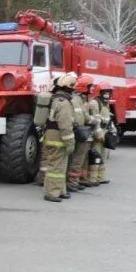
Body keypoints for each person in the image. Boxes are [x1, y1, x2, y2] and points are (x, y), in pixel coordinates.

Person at [42, 72, 76, 202]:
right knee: (56, 167)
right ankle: (51, 193)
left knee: (60, 166)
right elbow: (65, 125)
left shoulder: (54, 99)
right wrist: (70, 142)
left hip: (51, 135)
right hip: (59, 138)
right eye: (72, 87)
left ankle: (60, 190)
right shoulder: (64, 103)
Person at [67, 74, 94, 191]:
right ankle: (72, 183)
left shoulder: (81, 100)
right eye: (90, 86)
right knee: (76, 160)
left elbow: (86, 117)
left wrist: (94, 119)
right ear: (84, 87)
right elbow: (79, 118)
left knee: (79, 159)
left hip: (81, 133)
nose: (92, 89)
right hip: (78, 134)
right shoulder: (76, 100)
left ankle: (75, 181)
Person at [87, 82, 113, 185]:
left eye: (108, 93)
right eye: (105, 92)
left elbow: (108, 117)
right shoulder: (95, 103)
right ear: (100, 92)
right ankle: (92, 179)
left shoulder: (105, 103)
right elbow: (96, 119)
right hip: (98, 131)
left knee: (103, 155)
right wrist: (98, 133)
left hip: (105, 130)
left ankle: (100, 178)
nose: (107, 95)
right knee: (95, 155)